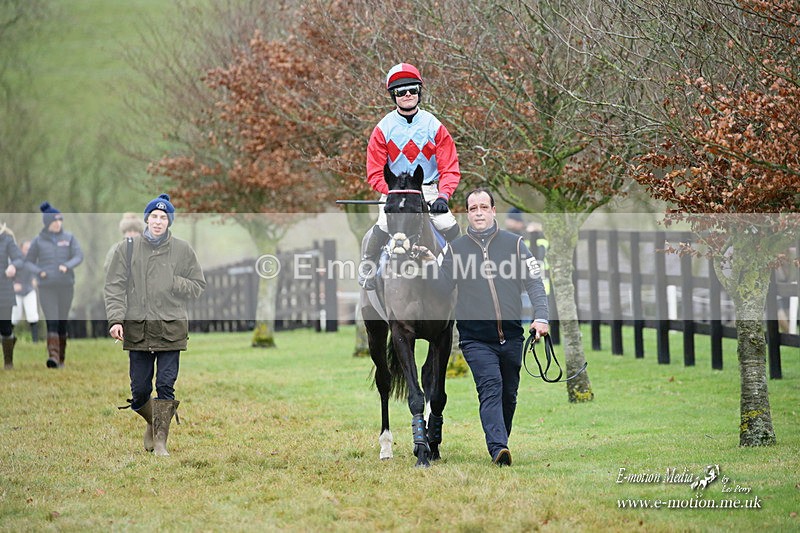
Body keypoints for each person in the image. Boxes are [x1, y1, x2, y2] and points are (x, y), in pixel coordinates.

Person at [419, 188, 549, 466]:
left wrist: (542, 317)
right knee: (491, 387)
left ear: (492, 210)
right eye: (473, 208)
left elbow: (535, 283)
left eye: (483, 207)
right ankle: (498, 449)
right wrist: (431, 267)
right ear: (468, 213)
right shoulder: (456, 249)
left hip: (512, 337)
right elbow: (443, 288)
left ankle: (501, 440)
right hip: (476, 340)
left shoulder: (515, 244)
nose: (478, 212)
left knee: (509, 395)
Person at [104, 194, 206, 456]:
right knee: (139, 391)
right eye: (154, 216)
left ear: (169, 222)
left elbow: (198, 286)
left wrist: (173, 281)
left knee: (165, 385)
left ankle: (161, 441)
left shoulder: (183, 250)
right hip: (138, 329)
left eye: (164, 217)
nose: (158, 221)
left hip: (171, 329)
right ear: (146, 219)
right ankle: (152, 419)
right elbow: (114, 287)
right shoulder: (126, 249)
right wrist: (115, 320)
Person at [360, 62, 462, 289]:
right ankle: (368, 266)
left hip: (427, 188)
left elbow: (450, 167)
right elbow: (375, 172)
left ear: (419, 92)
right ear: (393, 96)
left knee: (448, 224)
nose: (407, 94)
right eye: (400, 91)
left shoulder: (434, 126)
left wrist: (443, 196)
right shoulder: (382, 129)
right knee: (385, 223)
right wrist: (394, 192)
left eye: (412, 89)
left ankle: (463, 271)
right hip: (394, 191)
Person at [24, 202, 83, 368]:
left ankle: (62, 358)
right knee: (52, 320)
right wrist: (39, 271)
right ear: (48, 223)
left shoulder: (69, 238)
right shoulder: (37, 241)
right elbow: (28, 262)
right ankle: (54, 358)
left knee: (62, 322)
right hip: (46, 287)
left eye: (60, 220)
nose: (58, 223)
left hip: (66, 285)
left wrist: (68, 265)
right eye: (55, 221)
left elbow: (79, 256)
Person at [1, 223, 25, 370]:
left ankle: (8, 362)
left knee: (5, 328)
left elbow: (19, 259)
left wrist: (13, 266)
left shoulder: (7, 239)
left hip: (3, 289)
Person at [11, 240, 40, 343]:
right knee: (14, 317)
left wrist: (36, 280)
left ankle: (35, 341)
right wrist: (13, 285)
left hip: (29, 291)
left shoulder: (35, 260)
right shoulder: (14, 260)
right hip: (17, 293)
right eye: (26, 248)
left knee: (32, 315)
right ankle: (6, 340)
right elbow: (7, 275)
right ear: (21, 249)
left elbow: (38, 273)